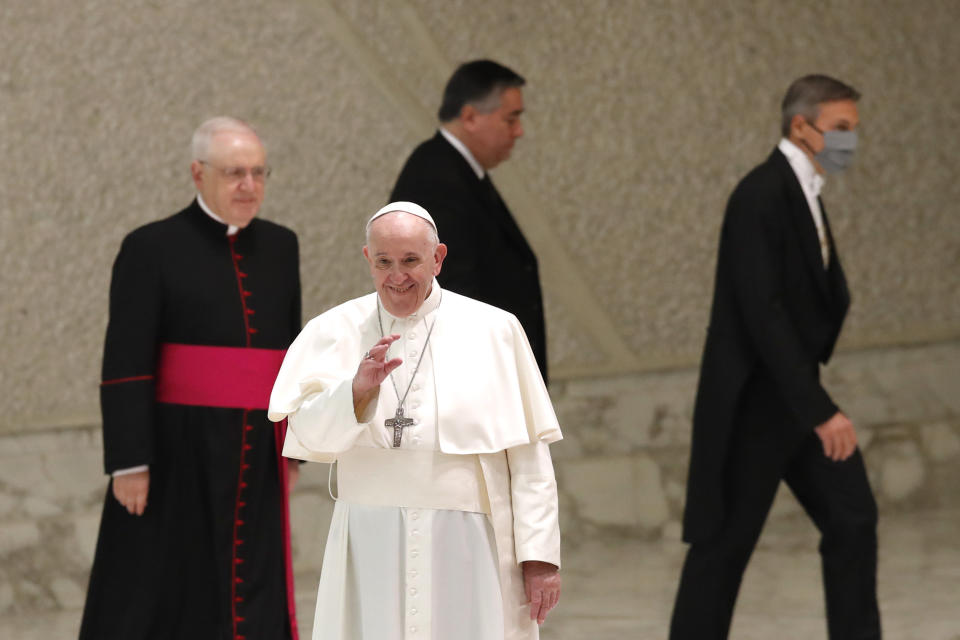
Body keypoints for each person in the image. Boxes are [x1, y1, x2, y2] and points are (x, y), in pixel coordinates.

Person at [269, 201, 562, 640]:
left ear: (438, 258)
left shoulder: (495, 330)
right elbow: (306, 438)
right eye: (384, 262)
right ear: (368, 259)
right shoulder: (332, 331)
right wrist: (356, 392)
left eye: (411, 260)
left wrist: (539, 557)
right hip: (369, 540)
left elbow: (529, 458)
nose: (397, 276)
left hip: (469, 544)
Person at [670, 75, 881, 639]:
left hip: (793, 396)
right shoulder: (761, 194)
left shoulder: (804, 189)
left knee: (852, 517)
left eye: (853, 131)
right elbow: (763, 314)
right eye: (840, 130)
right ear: (800, 126)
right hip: (756, 405)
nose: (849, 143)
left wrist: (808, 402)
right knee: (723, 548)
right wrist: (819, 410)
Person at [80, 117, 302, 640]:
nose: (249, 185)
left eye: (258, 172)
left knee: (256, 574)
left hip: (258, 444)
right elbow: (126, 358)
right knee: (166, 583)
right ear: (198, 174)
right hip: (178, 448)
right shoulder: (150, 247)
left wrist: (294, 444)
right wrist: (131, 462)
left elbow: (293, 352)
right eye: (234, 173)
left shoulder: (282, 245)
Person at [390, 59, 549, 383]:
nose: (519, 131)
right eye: (511, 119)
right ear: (471, 117)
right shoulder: (436, 178)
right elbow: (450, 292)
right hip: (471, 380)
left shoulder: (459, 171)